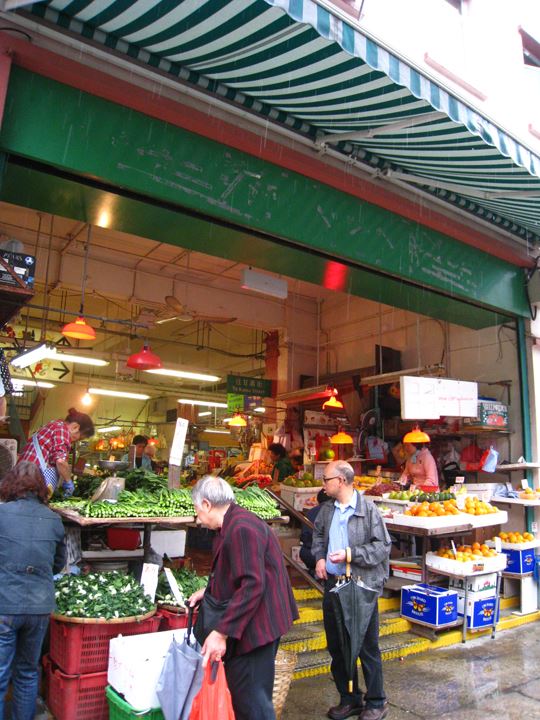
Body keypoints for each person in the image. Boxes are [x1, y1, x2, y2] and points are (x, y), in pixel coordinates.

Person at [188, 475, 298, 720]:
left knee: (253, 703)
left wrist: (221, 632)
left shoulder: (241, 528)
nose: (197, 519)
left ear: (206, 504)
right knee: (247, 698)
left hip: (258, 627)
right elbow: (241, 572)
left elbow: (252, 585)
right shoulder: (232, 524)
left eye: (197, 511)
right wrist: (209, 591)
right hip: (252, 623)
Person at [313, 460, 391, 720]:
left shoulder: (368, 510)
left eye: (326, 479)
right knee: (338, 647)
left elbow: (382, 547)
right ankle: (350, 699)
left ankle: (377, 701)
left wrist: (350, 554)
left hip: (361, 588)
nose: (323, 484)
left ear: (342, 481)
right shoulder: (326, 510)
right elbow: (318, 538)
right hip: (334, 587)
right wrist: (320, 559)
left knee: (367, 646)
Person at [0, 461, 66, 720]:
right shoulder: (53, 519)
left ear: (11, 484)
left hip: (5, 603)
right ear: (41, 487)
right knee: (28, 672)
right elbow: (58, 563)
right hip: (39, 607)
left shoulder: (2, 514)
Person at [18, 407, 95, 496]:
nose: (75, 441)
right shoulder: (62, 429)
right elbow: (60, 461)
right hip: (30, 483)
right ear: (75, 427)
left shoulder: (53, 425)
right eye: (80, 437)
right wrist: (68, 481)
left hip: (21, 480)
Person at [299, 489, 330, 572]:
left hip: (307, 552)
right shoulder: (335, 510)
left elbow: (303, 536)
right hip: (327, 554)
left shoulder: (311, 512)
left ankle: (314, 576)